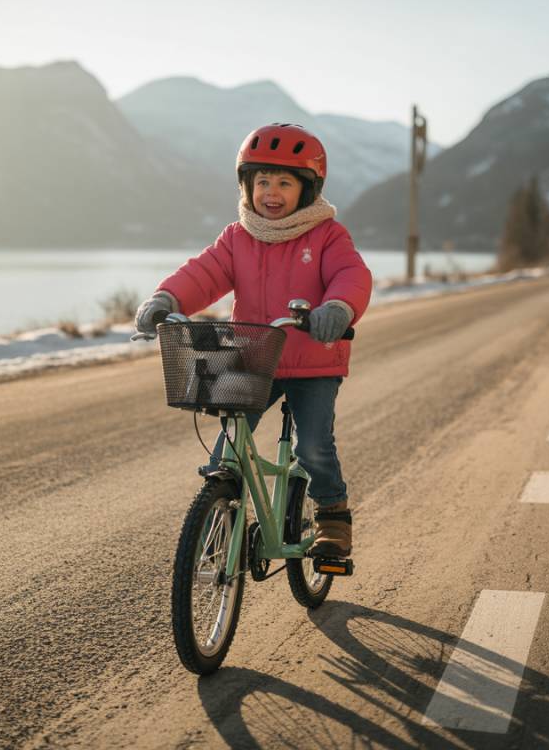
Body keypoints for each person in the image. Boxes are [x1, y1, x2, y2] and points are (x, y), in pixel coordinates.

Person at [135, 123, 372, 558]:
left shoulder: (327, 235)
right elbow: (203, 274)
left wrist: (338, 308)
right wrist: (165, 298)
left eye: (284, 183)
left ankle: (332, 515)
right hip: (253, 358)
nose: (271, 192)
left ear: (308, 189)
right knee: (226, 452)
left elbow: (350, 275)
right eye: (262, 181)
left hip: (313, 361)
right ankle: (221, 518)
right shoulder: (238, 237)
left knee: (313, 446)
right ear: (247, 185)